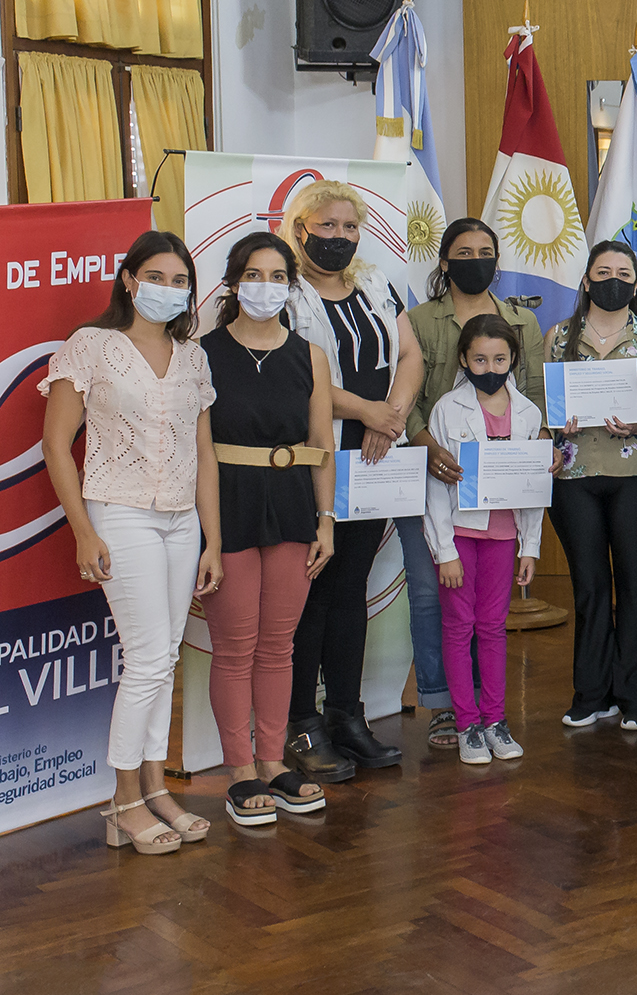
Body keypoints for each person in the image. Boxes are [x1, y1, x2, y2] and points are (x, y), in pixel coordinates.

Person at [40, 231, 221, 855]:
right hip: (119, 513)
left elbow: (203, 454)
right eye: (157, 277)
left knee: (165, 658)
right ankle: (123, 803)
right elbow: (55, 444)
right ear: (128, 280)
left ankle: (154, 787)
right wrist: (83, 530)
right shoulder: (90, 347)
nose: (169, 290)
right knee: (146, 661)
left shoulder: (192, 356)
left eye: (180, 281)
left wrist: (213, 541)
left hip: (182, 520)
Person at [281, 180, 423, 780]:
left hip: (373, 459)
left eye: (348, 227)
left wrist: (390, 418)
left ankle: (345, 715)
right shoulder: (281, 293)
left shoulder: (376, 286)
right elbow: (294, 374)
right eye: (326, 226)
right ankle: (300, 724)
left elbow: (410, 357)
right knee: (310, 593)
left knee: (350, 591)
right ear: (300, 229)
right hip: (314, 460)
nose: (338, 237)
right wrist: (368, 412)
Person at [199, 232, 335, 825]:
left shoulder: (310, 355)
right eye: (254, 275)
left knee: (279, 645)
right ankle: (239, 770)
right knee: (235, 647)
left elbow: (321, 444)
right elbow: (199, 452)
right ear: (233, 283)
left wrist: (326, 520)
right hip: (227, 503)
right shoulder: (201, 353)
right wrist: (209, 538)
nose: (266, 286)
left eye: (278, 276)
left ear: (291, 286)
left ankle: (274, 762)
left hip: (293, 505)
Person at [405, 217, 547, 750]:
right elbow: (407, 396)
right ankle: (457, 715)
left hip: (504, 525)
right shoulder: (422, 325)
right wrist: (426, 444)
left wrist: (541, 456)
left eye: (485, 251)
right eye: (463, 252)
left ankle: (493, 717)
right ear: (443, 261)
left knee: (492, 624)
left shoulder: (523, 329)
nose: (475, 261)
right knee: (441, 609)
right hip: (448, 504)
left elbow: (536, 405)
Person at [547, 241, 637, 732]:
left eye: (623, 273)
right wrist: (556, 427)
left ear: (636, 283)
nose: (613, 280)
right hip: (574, 475)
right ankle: (592, 693)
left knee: (635, 583)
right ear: (586, 280)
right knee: (590, 586)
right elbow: (542, 406)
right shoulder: (559, 336)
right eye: (603, 272)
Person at [424, 314, 549, 765]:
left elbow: (532, 488)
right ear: (463, 359)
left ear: (513, 358)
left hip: (502, 536)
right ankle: (467, 725)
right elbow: (435, 487)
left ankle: (495, 720)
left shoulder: (529, 414)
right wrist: (444, 551)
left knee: (494, 627)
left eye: (499, 358)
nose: (490, 367)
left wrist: (530, 547)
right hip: (459, 535)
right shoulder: (446, 409)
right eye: (479, 359)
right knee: (459, 627)